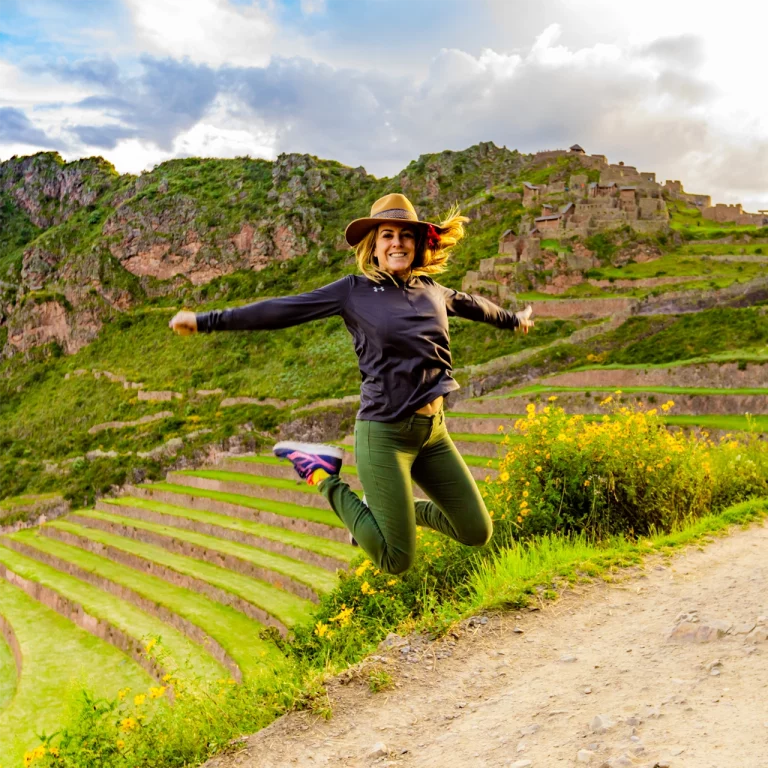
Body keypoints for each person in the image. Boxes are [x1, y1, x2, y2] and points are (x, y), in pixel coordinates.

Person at [169, 193, 534, 574]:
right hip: (385, 432)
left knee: (476, 530)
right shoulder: (353, 291)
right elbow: (283, 310)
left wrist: (514, 319)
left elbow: (476, 305)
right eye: (387, 235)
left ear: (418, 243)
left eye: (406, 235)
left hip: (433, 434)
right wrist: (208, 320)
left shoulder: (432, 289)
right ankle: (323, 474)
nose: (397, 243)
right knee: (396, 559)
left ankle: (381, 516)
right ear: (373, 246)